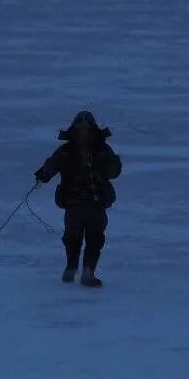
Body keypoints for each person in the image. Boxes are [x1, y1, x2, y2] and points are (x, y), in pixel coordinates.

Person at [34, 111, 122, 287]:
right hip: (77, 203)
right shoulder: (67, 151)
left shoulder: (100, 149)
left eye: (86, 129)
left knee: (92, 237)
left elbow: (114, 172)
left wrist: (108, 164)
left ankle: (85, 271)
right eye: (80, 129)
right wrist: (43, 174)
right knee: (76, 237)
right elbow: (51, 165)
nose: (83, 133)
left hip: (93, 203)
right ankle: (73, 268)